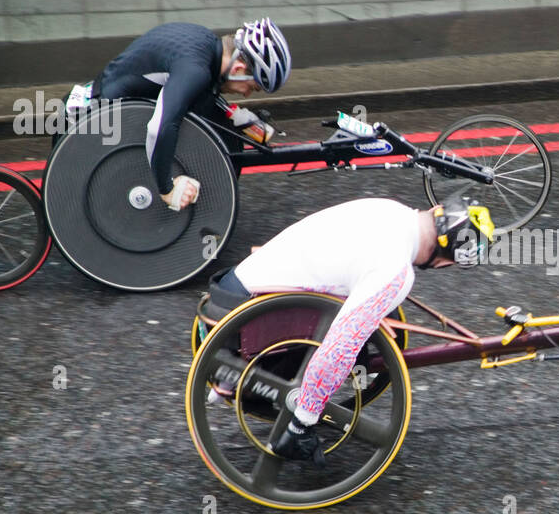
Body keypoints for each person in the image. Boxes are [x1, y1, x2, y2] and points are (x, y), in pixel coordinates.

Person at [209, 193, 495, 463]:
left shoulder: (391, 208)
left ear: (436, 211)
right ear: (445, 261)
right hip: (248, 322)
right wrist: (303, 423)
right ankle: (247, 386)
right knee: (348, 341)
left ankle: (233, 378)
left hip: (228, 294)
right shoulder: (396, 271)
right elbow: (340, 345)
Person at [74, 18, 291, 210]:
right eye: (252, 88)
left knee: (227, 136)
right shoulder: (195, 69)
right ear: (237, 70)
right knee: (213, 139)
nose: (245, 95)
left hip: (124, 95)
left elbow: (204, 96)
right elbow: (158, 128)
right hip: (106, 115)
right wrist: (167, 188)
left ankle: (209, 212)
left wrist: (240, 120)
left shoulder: (205, 44)